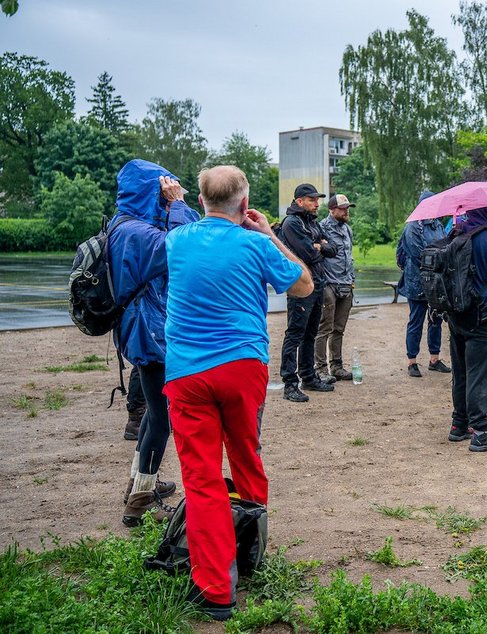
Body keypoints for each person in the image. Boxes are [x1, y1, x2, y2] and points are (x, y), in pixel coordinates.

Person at [164, 165, 312, 620]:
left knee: (203, 477)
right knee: (246, 452)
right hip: (243, 367)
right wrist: (269, 232)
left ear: (202, 204)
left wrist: (173, 203)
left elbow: (186, 223)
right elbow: (304, 284)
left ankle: (215, 590)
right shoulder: (255, 243)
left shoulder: (176, 241)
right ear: (246, 206)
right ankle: (251, 553)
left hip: (187, 373)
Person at [109, 159, 198, 527]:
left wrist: (176, 204)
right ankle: (139, 502)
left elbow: (193, 232)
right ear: (151, 191)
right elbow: (186, 244)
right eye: (163, 193)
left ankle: (139, 483)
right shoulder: (135, 232)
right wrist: (177, 204)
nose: (168, 201)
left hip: (148, 330)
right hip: (150, 333)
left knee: (153, 415)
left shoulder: (128, 224)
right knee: (162, 420)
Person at [445, 203, 487, 452]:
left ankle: (459, 424)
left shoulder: (458, 233)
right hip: (486, 317)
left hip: (457, 315)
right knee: (480, 375)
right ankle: (481, 431)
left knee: (461, 372)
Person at [278, 183, 337, 402]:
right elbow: (308, 254)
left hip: (318, 282)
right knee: (295, 333)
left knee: (311, 332)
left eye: (317, 200)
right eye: (312, 200)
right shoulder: (292, 223)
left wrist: (320, 245)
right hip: (300, 284)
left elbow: (332, 249)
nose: (316, 204)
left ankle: (309, 377)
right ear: (299, 201)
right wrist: (319, 246)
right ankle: (290, 383)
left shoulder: (311, 222)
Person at [396, 190, 451, 377]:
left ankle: (434, 359)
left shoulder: (437, 225)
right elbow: (418, 254)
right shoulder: (412, 227)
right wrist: (440, 258)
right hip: (417, 282)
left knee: (435, 319)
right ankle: (412, 361)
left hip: (436, 281)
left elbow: (445, 247)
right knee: (416, 321)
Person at [316, 194, 356, 383]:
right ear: (332, 210)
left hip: (346, 284)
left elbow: (350, 256)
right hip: (329, 284)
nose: (346, 211)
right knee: (325, 328)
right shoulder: (321, 228)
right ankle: (321, 369)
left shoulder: (347, 229)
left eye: (347, 208)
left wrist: (352, 279)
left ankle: (337, 366)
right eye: (342, 208)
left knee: (339, 329)